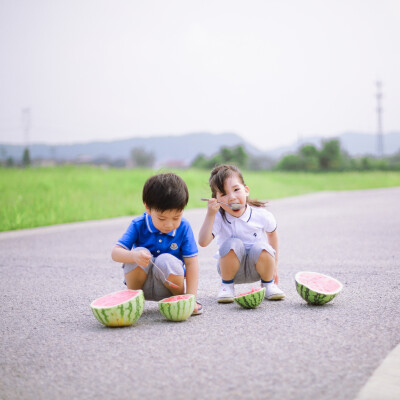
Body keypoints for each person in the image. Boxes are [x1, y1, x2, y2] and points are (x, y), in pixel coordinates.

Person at [112, 173, 202, 314]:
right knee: (139, 252)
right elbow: (115, 253)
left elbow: (191, 263)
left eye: (176, 217)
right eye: (161, 218)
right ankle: (134, 300)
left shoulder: (183, 227)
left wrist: (191, 298)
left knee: (166, 260)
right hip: (141, 285)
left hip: (169, 286)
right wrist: (134, 256)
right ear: (148, 208)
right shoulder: (138, 224)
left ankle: (178, 300)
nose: (169, 224)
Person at [198, 164, 285, 303]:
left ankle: (268, 284)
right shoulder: (218, 217)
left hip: (258, 269)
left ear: (246, 190)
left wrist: (274, 266)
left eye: (236, 190)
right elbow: (203, 242)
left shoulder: (261, 215)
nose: (232, 198)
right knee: (233, 243)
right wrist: (210, 214)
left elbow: (272, 234)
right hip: (230, 271)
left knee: (261, 247)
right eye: (224, 194)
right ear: (217, 200)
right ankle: (226, 286)